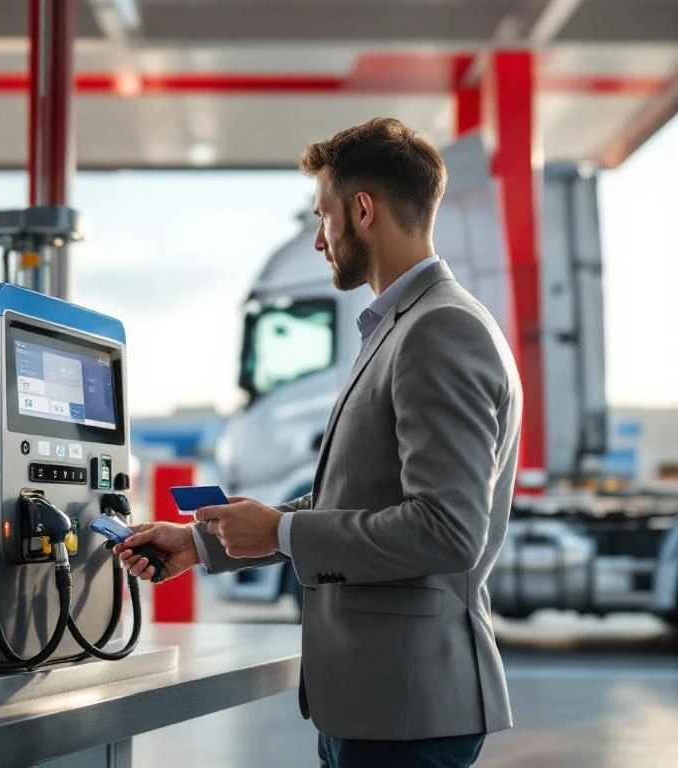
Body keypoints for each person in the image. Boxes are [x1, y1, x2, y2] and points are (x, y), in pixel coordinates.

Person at [115, 117, 522, 768]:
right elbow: (355, 495)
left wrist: (279, 532)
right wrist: (199, 543)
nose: (318, 239)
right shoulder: (403, 327)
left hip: (406, 709)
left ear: (362, 210)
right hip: (377, 703)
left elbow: (446, 530)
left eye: (322, 215)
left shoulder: (439, 330)